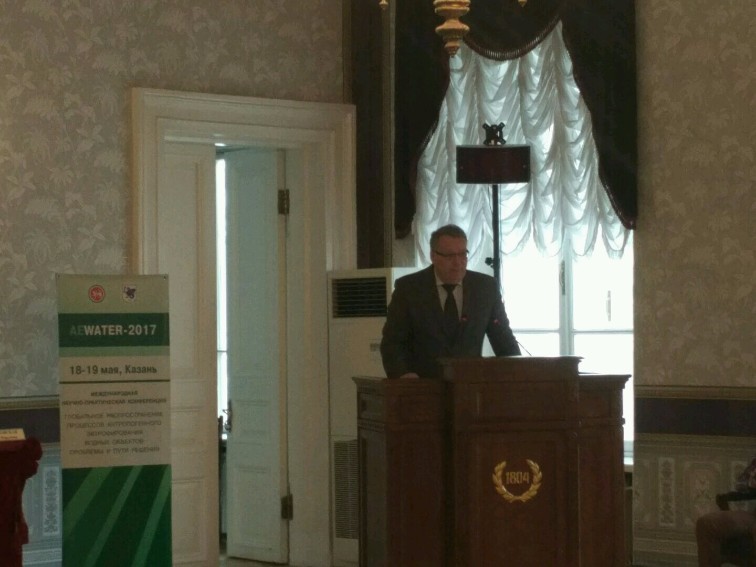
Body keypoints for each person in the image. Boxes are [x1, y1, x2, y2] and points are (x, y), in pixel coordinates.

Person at [381, 224, 520, 379]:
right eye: (449, 256)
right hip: (423, 385)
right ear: (433, 256)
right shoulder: (409, 289)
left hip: (470, 385)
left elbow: (503, 340)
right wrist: (403, 374)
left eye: (462, 254)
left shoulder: (485, 288)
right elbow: (392, 343)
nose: (458, 263)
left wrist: (519, 376)